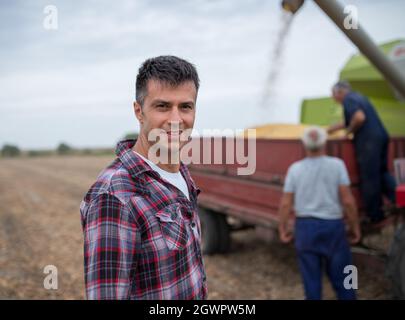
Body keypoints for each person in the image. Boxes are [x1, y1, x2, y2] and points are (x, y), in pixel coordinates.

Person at [80, 56, 207, 299]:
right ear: (139, 111)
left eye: (185, 107)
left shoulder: (180, 172)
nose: (175, 120)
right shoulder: (115, 197)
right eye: (162, 106)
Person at [278, 126, 361, 300]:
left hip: (305, 229)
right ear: (325, 143)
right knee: (346, 278)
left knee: (312, 282)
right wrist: (355, 227)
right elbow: (348, 201)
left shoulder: (295, 169)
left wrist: (283, 228)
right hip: (334, 227)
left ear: (304, 144)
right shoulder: (337, 165)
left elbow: (286, 204)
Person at [328, 81, 396, 223]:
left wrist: (348, 132)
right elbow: (351, 119)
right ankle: (399, 201)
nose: (333, 98)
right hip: (381, 137)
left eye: (333, 95)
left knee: (370, 178)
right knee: (382, 173)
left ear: (339, 92)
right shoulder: (359, 97)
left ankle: (375, 216)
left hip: (368, 142)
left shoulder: (348, 100)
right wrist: (332, 129)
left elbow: (359, 118)